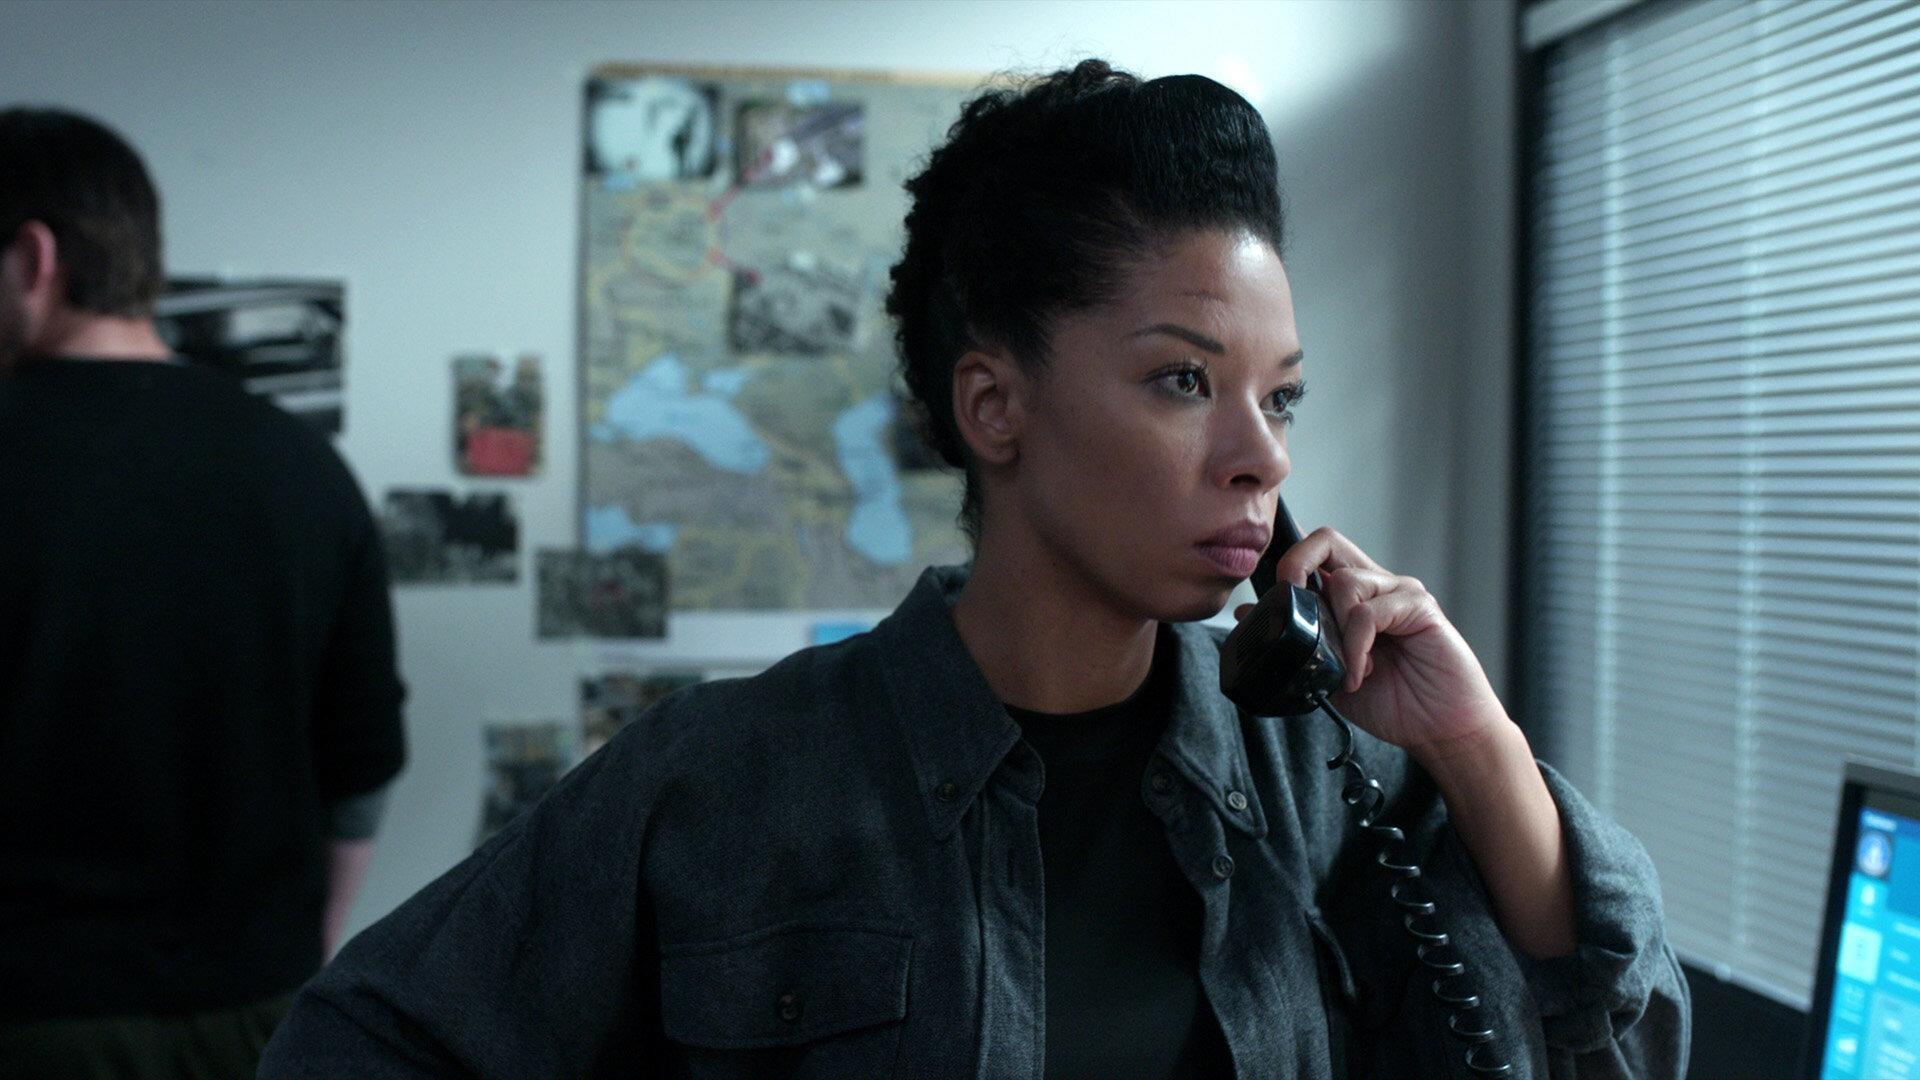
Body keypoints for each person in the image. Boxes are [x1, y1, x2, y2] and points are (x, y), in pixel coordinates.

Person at [259, 62, 1688, 1077]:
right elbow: (356, 1044)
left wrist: (1477, 748)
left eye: (1282, 397)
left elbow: (1614, 1043)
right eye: (1184, 381)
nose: (1260, 456)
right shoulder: (728, 781)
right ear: (994, 406)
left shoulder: (1318, 772)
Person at [0, 109, 407, 1079]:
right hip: (256, 1014)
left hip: (26, 1017)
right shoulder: (304, 467)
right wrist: (297, 957)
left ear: (33, 260)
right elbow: (362, 765)